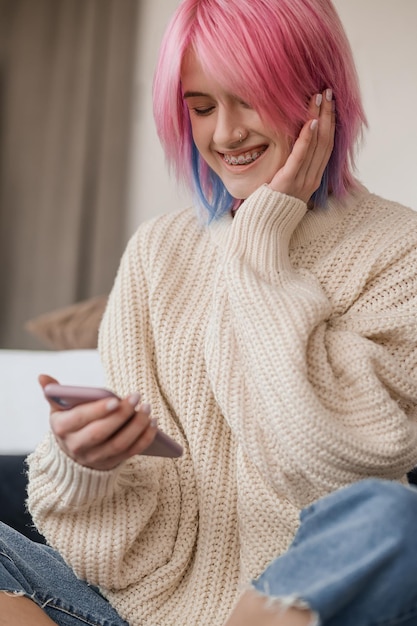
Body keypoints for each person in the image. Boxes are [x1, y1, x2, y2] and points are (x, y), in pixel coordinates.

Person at [1, 0, 417, 624]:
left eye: (250, 99)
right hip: (129, 610)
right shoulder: (156, 252)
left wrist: (261, 241)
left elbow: (339, 459)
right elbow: (116, 549)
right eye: (201, 108)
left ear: (317, 94)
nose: (224, 135)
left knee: (393, 521)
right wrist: (85, 464)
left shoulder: (398, 250)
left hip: (296, 591)